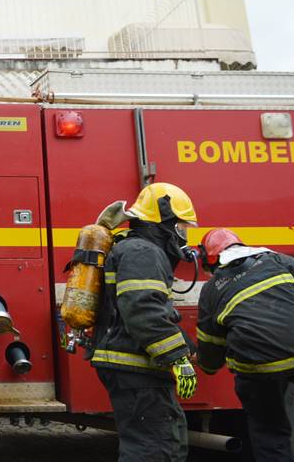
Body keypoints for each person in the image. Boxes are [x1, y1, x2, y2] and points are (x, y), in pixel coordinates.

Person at [88, 182, 199, 462]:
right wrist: (177, 358)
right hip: (134, 365)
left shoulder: (138, 248)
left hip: (133, 364)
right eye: (182, 226)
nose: (184, 234)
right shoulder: (143, 252)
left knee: (164, 441)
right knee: (153, 448)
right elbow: (143, 308)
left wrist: (185, 347)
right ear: (166, 221)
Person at [196, 228, 294, 462]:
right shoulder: (281, 261)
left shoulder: (211, 290)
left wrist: (204, 364)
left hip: (260, 370)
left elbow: (211, 349)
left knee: (270, 432)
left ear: (211, 259)